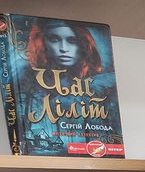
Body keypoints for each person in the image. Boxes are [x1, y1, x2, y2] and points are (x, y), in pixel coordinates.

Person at [15, 17, 121, 155]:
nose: (63, 49)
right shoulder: (27, 86)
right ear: (42, 43)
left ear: (83, 44)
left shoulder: (104, 86)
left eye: (72, 40)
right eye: (54, 39)